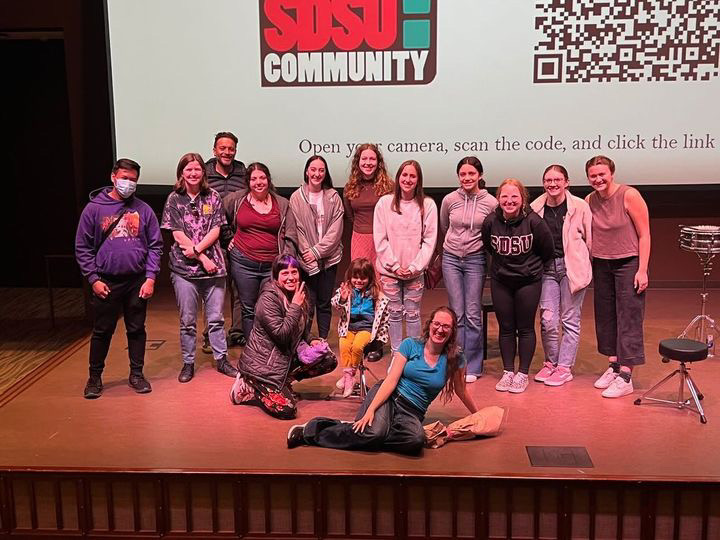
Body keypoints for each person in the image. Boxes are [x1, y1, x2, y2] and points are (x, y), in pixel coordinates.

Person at [287, 307, 478, 454]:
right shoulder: (410, 345)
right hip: (389, 397)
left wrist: (478, 416)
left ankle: (363, 430)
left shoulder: (456, 358)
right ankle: (313, 430)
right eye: (437, 324)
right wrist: (371, 410)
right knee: (373, 433)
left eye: (446, 326)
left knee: (415, 441)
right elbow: (390, 381)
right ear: (429, 325)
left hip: (412, 412)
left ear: (452, 331)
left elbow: (462, 391)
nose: (440, 329)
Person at [75, 158, 163, 398]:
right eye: (124, 178)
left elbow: (156, 245)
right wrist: (93, 279)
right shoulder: (94, 208)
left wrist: (151, 277)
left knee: (136, 329)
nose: (128, 183)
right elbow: (83, 247)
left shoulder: (143, 209)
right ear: (113, 177)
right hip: (106, 281)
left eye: (133, 180)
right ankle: (94, 378)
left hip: (137, 281)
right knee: (102, 331)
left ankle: (137, 374)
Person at [229, 254, 337, 419]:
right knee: (287, 410)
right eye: (285, 273)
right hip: (263, 367)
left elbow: (300, 327)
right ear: (276, 277)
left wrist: (311, 339)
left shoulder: (299, 292)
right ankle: (250, 384)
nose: (291, 277)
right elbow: (282, 335)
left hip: (284, 359)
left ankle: (284, 382)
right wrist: (294, 306)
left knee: (328, 359)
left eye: (294, 272)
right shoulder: (268, 299)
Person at [161, 152, 237, 383]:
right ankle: (188, 363)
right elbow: (176, 232)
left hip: (214, 268)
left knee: (215, 318)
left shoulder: (212, 196)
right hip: (184, 269)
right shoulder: (174, 199)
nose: (193, 173)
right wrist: (201, 258)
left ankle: (221, 359)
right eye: (188, 169)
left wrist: (201, 253)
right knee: (187, 321)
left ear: (203, 172)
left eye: (197, 169)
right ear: (181, 173)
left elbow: (216, 229)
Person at [585, 156, 650, 398]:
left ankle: (626, 375)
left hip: (628, 262)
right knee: (606, 316)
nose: (598, 179)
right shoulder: (589, 200)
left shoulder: (629, 195)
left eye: (602, 174)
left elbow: (645, 235)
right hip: (601, 264)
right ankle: (613, 365)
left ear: (611, 173)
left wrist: (642, 269)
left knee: (629, 317)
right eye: (593, 175)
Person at [481, 178, 554, 394]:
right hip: (501, 280)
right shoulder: (490, 222)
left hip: (528, 281)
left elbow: (547, 249)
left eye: (514, 196)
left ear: (522, 199)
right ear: (498, 199)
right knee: (505, 328)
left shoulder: (534, 222)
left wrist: (531, 269)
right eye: (504, 196)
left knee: (525, 328)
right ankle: (507, 372)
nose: (509, 201)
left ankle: (522, 373)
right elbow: (489, 246)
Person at [530, 165, 593, 387]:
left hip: (572, 268)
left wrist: (583, 265)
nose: (553, 184)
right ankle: (551, 363)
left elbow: (589, 239)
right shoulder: (535, 207)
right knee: (548, 320)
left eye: (558, 180)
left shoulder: (580, 206)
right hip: (546, 269)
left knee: (569, 319)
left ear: (566, 182)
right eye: (548, 180)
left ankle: (564, 367)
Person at [439, 156, 498, 382]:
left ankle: (473, 366)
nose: (467, 178)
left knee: (473, 314)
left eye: (471, 174)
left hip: (475, 259)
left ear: (480, 176)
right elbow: (445, 226)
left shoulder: (491, 202)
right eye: (463, 174)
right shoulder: (449, 199)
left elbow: (491, 231)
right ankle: (457, 363)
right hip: (451, 258)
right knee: (457, 313)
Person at [224, 163, 297, 340]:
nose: (258, 182)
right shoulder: (235, 200)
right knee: (248, 308)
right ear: (248, 182)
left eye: (262, 178)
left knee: (269, 307)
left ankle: (270, 348)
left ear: (268, 179)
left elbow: (291, 234)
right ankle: (252, 349)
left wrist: (286, 263)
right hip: (243, 262)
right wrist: (229, 238)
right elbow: (220, 220)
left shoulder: (282, 203)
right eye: (254, 179)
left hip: (271, 266)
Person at [373, 160, 438, 352]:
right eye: (404, 175)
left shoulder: (428, 205)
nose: (407, 179)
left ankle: (413, 354)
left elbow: (429, 240)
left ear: (418, 180)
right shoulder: (384, 203)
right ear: (398, 177)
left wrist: (414, 267)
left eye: (412, 176)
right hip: (389, 272)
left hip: (414, 273)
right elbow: (380, 238)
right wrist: (394, 266)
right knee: (393, 314)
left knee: (413, 314)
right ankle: (396, 355)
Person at [288, 155, 344, 339]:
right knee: (307, 302)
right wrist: (308, 253)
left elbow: (336, 230)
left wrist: (318, 251)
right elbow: (297, 229)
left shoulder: (333, 196)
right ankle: (304, 339)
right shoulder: (296, 197)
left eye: (321, 170)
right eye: (313, 169)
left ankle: (322, 339)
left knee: (324, 302)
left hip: (329, 259)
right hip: (306, 260)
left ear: (325, 173)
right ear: (306, 171)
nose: (317, 174)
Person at [203, 131, 247, 350]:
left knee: (239, 287)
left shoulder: (243, 172)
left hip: (238, 239)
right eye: (223, 148)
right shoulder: (204, 172)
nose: (227, 152)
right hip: (211, 241)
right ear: (215, 150)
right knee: (214, 289)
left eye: (231, 148)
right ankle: (210, 335)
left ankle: (238, 332)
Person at [331, 257, 390, 398]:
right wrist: (343, 298)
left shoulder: (376, 294)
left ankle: (349, 376)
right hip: (349, 327)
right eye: (355, 277)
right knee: (344, 345)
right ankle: (348, 377)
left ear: (369, 278)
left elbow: (385, 318)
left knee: (357, 347)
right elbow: (335, 304)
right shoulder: (346, 290)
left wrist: (381, 338)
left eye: (363, 278)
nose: (358, 281)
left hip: (366, 329)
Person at [343, 143, 393, 265]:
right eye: (364, 158)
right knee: (361, 278)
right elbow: (350, 216)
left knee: (380, 280)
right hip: (359, 239)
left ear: (378, 162)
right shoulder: (350, 188)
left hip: (383, 240)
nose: (368, 163)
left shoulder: (390, 187)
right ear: (357, 162)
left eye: (372, 159)